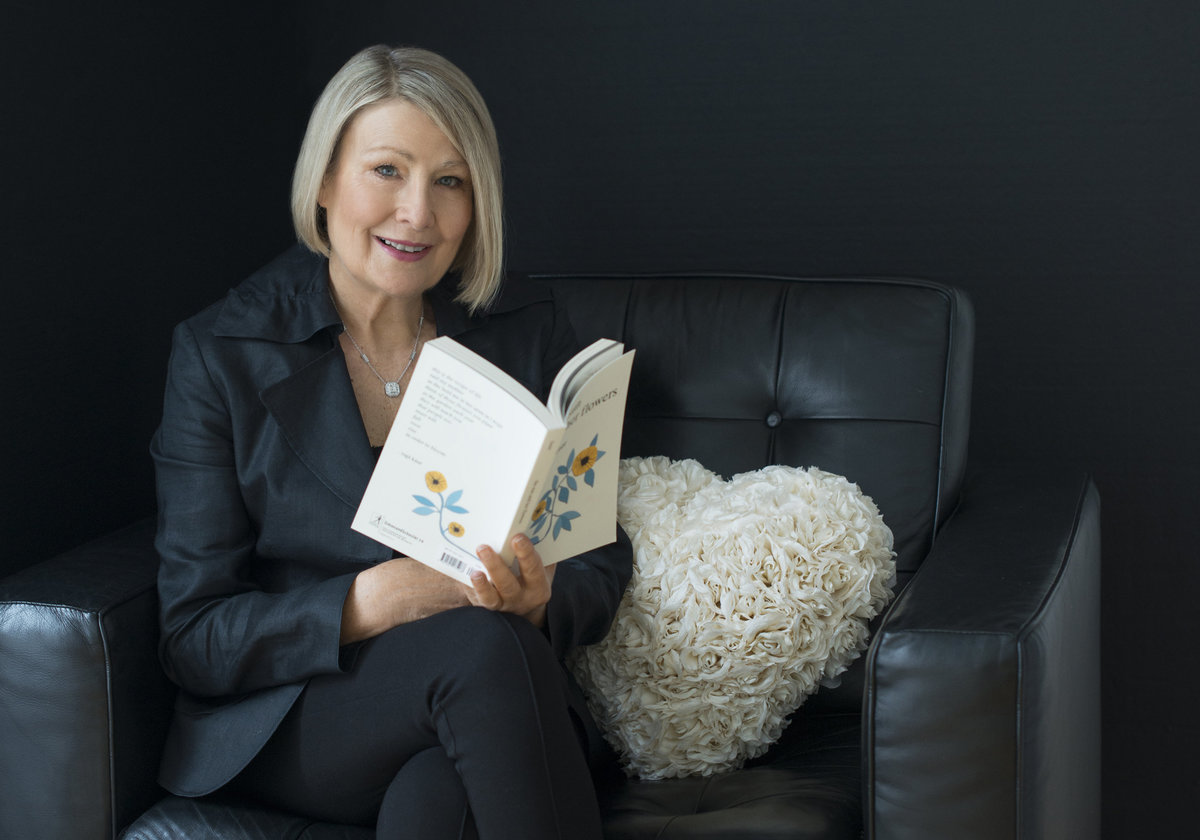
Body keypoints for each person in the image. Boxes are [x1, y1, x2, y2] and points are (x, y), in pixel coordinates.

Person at [151, 45, 632, 839]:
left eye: (450, 181)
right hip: (305, 713)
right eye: (386, 171)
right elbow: (194, 637)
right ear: (326, 179)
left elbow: (601, 555)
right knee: (480, 653)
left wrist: (543, 599)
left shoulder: (525, 333)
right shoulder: (221, 353)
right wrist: (368, 602)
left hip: (493, 702)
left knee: (438, 795)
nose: (418, 213)